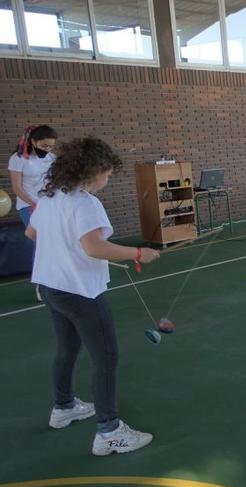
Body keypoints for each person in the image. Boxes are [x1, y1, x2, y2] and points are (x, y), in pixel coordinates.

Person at [25, 136, 161, 456]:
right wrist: (137, 252)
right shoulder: (85, 203)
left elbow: (33, 233)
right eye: (107, 174)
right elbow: (94, 247)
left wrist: (64, 248)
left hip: (51, 286)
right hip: (81, 293)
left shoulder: (51, 195)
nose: (107, 180)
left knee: (67, 348)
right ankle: (109, 432)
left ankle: (64, 407)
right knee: (106, 357)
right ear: (92, 171)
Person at [8, 125, 58, 301]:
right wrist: (34, 203)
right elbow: (17, 187)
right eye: (44, 146)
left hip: (48, 204)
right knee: (41, 243)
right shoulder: (18, 158)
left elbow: (55, 182)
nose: (48, 149)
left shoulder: (51, 158)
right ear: (34, 142)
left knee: (53, 242)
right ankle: (42, 284)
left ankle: (55, 278)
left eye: (51, 146)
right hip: (28, 205)